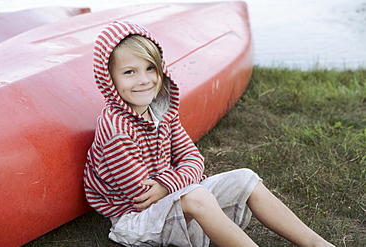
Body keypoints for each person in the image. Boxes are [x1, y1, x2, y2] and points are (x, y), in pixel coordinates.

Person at [83, 20, 334, 247]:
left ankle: (315, 243)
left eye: (150, 68)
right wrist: (180, 180)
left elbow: (193, 159)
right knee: (197, 194)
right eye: (129, 72)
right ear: (109, 79)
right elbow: (142, 195)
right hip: (136, 220)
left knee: (246, 178)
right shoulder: (116, 129)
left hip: (172, 198)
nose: (144, 80)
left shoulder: (160, 110)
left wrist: (169, 182)